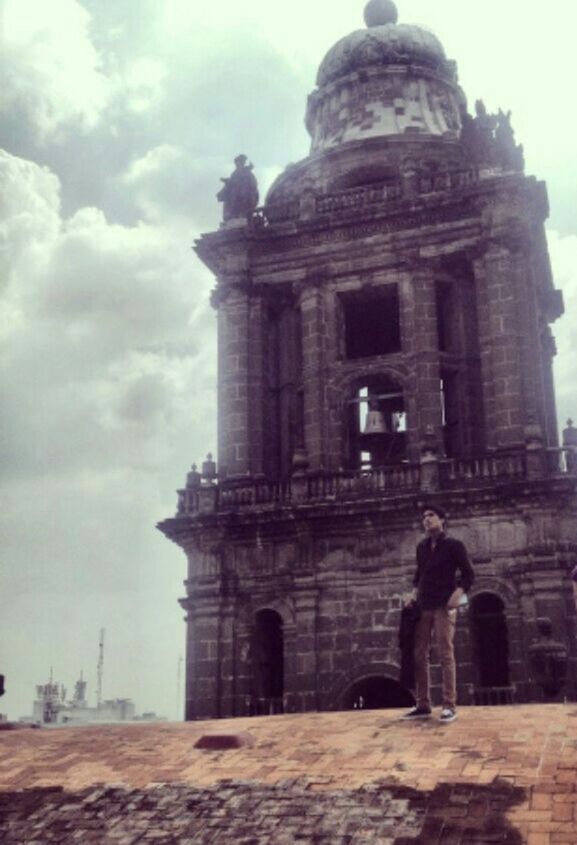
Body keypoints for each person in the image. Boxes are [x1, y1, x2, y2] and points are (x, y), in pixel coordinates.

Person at [403, 505, 474, 723]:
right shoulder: (422, 547)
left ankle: (449, 705)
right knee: (419, 654)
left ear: (442, 519)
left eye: (431, 515)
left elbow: (469, 575)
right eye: (424, 516)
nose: (426, 519)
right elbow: (419, 575)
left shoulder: (454, 546)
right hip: (424, 604)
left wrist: (458, 593)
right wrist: (412, 595)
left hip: (444, 605)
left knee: (445, 652)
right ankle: (423, 704)